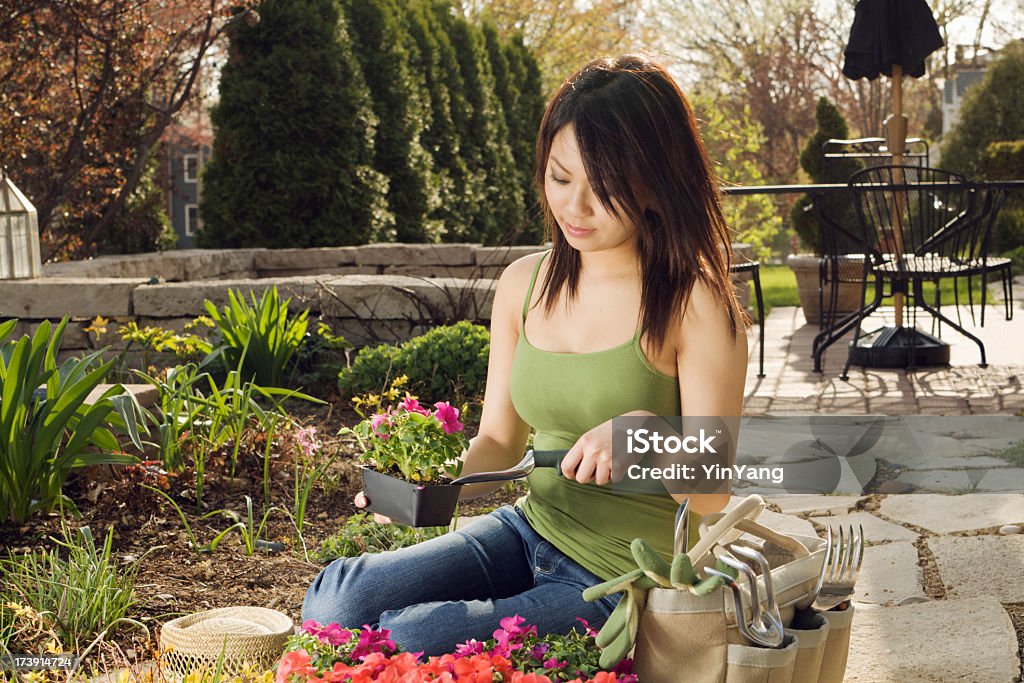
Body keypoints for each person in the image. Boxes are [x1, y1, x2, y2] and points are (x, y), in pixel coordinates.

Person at [302, 53, 748, 656]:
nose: (575, 207)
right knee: (339, 598)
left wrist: (647, 436)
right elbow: (500, 443)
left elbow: (711, 491)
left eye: (605, 188)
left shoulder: (695, 302)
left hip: (626, 575)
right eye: (561, 178)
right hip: (531, 529)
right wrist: (423, 489)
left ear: (655, 180)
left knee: (409, 636)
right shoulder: (525, 283)